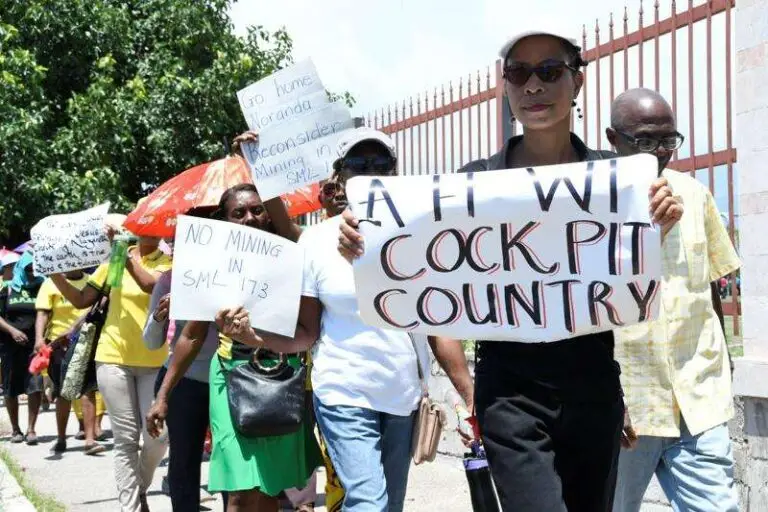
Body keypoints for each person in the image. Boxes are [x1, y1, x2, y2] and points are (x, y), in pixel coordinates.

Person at [337, 29, 683, 512]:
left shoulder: (617, 178)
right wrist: (365, 242)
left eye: (549, 71)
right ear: (506, 86)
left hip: (592, 386)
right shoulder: (472, 183)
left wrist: (658, 225)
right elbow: (419, 266)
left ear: (577, 82)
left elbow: (626, 269)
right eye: (519, 73)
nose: (533, 86)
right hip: (509, 396)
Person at [219, 128, 429, 512]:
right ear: (340, 174)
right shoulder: (315, 242)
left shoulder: (420, 231)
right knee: (368, 503)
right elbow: (305, 334)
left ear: (395, 170)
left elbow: (438, 321)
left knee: (390, 506)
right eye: (357, 163)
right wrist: (253, 335)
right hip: (342, 392)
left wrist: (466, 395)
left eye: (380, 163)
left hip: (401, 393)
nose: (369, 170)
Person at [606, 88, 741, 511]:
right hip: (628, 404)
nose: (660, 152)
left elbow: (710, 289)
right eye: (645, 141)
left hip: (697, 396)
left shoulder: (696, 195)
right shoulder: (596, 203)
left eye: (669, 139)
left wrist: (722, 364)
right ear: (614, 139)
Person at [148, 183, 321, 512]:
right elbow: (190, 336)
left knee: (268, 487)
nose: (250, 218)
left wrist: (261, 166)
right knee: (239, 492)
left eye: (257, 210)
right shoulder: (212, 264)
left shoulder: (291, 256)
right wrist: (162, 396)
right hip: (229, 380)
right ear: (225, 221)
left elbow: (307, 331)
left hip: (281, 378)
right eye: (238, 213)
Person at [51, 231, 171, 512]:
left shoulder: (168, 262)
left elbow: (151, 286)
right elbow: (83, 299)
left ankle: (138, 485)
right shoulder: (114, 260)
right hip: (112, 357)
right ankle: (128, 506)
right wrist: (53, 272)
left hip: (155, 360)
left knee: (159, 437)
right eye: (142, 226)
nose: (148, 232)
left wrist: (125, 258)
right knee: (126, 438)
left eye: (154, 228)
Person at [34, 270, 105, 454]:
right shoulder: (51, 282)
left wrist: (76, 328)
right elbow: (42, 313)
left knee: (88, 389)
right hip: (58, 343)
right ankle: (61, 438)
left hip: (86, 339)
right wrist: (39, 338)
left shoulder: (92, 281)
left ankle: (90, 440)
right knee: (61, 391)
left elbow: (97, 305)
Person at [0, 251, 44, 445]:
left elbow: (44, 314)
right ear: (21, 268)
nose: (32, 271)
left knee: (35, 386)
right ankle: (16, 430)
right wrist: (12, 331)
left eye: (35, 268)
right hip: (10, 346)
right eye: (28, 268)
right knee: (11, 388)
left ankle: (31, 429)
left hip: (34, 346)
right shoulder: (7, 290)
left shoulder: (40, 286)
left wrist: (40, 339)